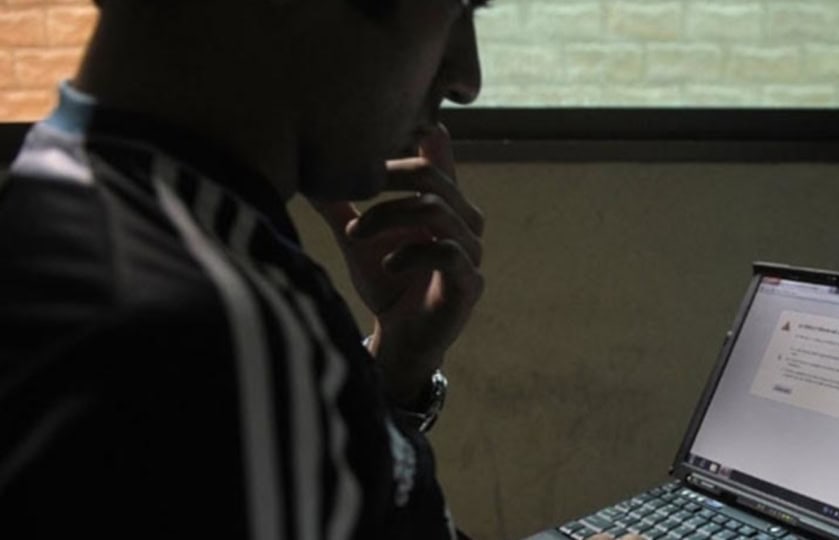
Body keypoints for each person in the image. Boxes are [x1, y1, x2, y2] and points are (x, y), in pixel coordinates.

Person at [0, 0, 488, 538]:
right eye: (457, 6)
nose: (467, 78)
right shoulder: (211, 334)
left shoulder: (67, 204)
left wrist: (395, 368)